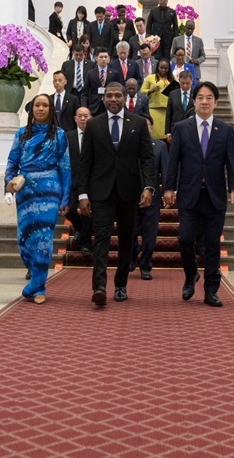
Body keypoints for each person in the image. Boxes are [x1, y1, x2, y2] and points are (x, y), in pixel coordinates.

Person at [76, 82, 155, 306]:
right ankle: (99, 287)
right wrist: (82, 194)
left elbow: (147, 158)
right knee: (101, 238)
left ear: (124, 98)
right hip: (100, 192)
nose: (113, 99)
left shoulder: (138, 123)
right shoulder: (93, 124)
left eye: (117, 95)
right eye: (109, 95)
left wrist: (148, 187)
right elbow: (85, 162)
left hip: (129, 191)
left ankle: (121, 284)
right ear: (103, 99)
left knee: (127, 239)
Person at [163, 81, 234, 307]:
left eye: (209, 98)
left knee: (212, 244)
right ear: (194, 102)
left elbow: (231, 163)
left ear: (216, 102)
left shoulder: (225, 130)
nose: (204, 102)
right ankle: (191, 275)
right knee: (185, 239)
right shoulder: (181, 128)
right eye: (200, 98)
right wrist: (168, 188)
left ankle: (211, 290)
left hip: (215, 197)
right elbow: (173, 161)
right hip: (189, 195)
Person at [5, 94, 70, 303]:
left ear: (51, 110)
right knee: (23, 238)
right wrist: (8, 183)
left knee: (43, 238)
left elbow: (65, 168)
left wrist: (65, 199)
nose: (41, 109)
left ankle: (38, 287)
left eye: (45, 105)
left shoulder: (59, 135)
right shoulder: (21, 134)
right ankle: (34, 275)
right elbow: (12, 161)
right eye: (37, 105)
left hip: (49, 190)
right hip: (25, 190)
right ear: (32, 109)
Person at [134, 115, 168, 280]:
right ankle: (133, 255)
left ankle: (145, 265)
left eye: (147, 124)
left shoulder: (160, 146)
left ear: (151, 128)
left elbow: (165, 171)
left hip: (152, 198)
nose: (144, 127)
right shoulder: (129, 144)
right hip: (130, 197)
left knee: (150, 236)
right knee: (130, 232)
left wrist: (168, 190)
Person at [65, 107, 93, 256]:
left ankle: (86, 244)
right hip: (72, 181)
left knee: (87, 212)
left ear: (90, 118)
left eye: (85, 116)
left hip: (90, 182)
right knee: (69, 210)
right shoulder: (67, 137)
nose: (83, 118)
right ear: (75, 119)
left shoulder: (96, 135)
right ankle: (80, 229)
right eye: (80, 116)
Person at [82, 47, 122, 117]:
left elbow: (119, 90)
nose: (103, 59)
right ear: (96, 58)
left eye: (105, 57)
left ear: (109, 58)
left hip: (110, 105)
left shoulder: (114, 73)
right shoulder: (90, 73)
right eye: (101, 57)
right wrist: (84, 107)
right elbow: (85, 92)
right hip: (94, 106)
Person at [141, 58, 174, 141]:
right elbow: (141, 92)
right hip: (153, 110)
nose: (163, 70)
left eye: (166, 68)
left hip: (167, 111)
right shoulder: (150, 77)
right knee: (154, 135)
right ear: (157, 67)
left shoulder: (172, 79)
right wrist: (150, 90)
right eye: (161, 67)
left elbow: (177, 93)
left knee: (166, 136)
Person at [165, 70, 195, 144]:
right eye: (182, 83)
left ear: (192, 81)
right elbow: (169, 114)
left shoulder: (196, 94)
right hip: (176, 129)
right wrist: (168, 132)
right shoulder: (172, 94)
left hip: (192, 129)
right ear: (179, 81)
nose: (185, 86)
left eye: (187, 83)